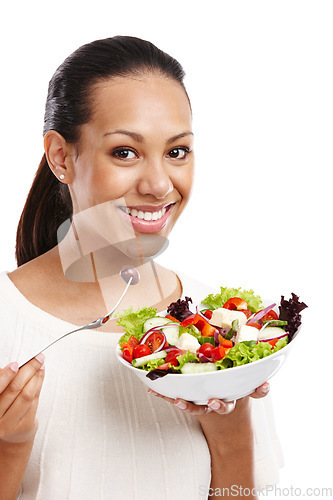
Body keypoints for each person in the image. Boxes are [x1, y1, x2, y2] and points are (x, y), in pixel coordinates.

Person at [0, 36, 282, 499]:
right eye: (125, 152)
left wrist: (232, 434)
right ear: (61, 157)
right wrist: (8, 449)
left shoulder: (219, 332)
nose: (158, 184)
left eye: (177, 151)